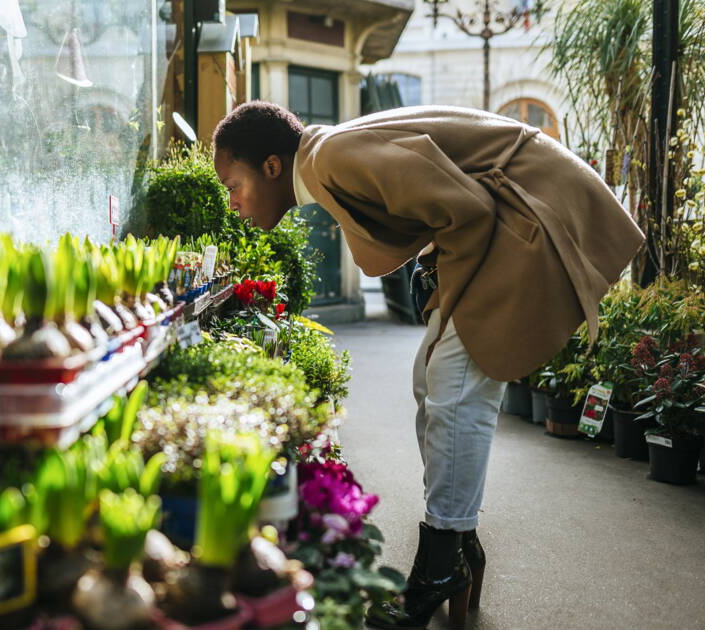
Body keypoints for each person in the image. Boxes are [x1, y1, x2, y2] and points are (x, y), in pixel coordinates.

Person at [211, 101, 643, 629]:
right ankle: (457, 546)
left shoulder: (332, 158)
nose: (233, 203)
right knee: (433, 382)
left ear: (272, 167)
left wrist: (440, 276)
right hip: (517, 209)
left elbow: (469, 210)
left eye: (233, 186)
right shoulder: (328, 155)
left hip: (530, 210)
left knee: (456, 389)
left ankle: (440, 568)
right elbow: (446, 197)